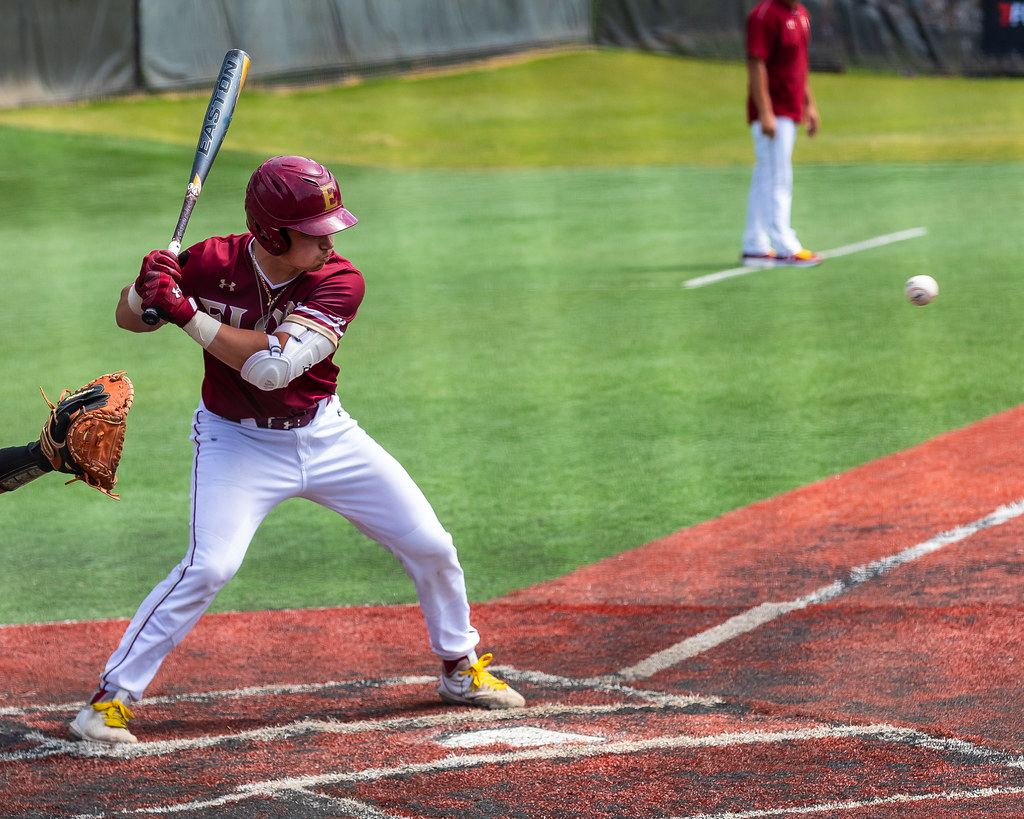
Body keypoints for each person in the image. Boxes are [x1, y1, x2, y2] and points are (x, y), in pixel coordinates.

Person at [70, 155, 525, 745]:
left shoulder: (341, 280)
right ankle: (108, 701)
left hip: (326, 435)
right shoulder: (210, 261)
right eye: (316, 232)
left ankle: (460, 667)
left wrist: (185, 314)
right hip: (236, 442)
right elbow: (130, 321)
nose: (331, 242)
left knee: (430, 544)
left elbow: (272, 369)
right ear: (271, 233)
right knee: (209, 565)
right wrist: (145, 288)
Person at [741, 0, 822, 268]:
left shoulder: (801, 14)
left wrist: (809, 104)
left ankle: (754, 245)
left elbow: (800, 62)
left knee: (767, 175)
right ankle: (786, 246)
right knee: (778, 177)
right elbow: (756, 63)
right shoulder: (764, 15)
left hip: (791, 106)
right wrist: (765, 111)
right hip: (774, 111)